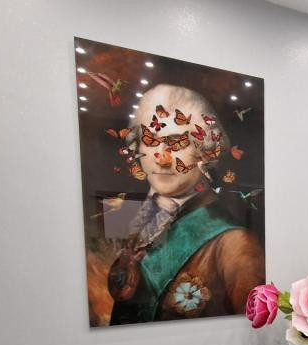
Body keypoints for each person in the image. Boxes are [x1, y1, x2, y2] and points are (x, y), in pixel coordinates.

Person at [107, 84, 264, 324]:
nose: (162, 158)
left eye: (177, 143)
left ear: (205, 152)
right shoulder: (142, 222)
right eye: (151, 141)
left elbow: (252, 332)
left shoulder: (235, 245)